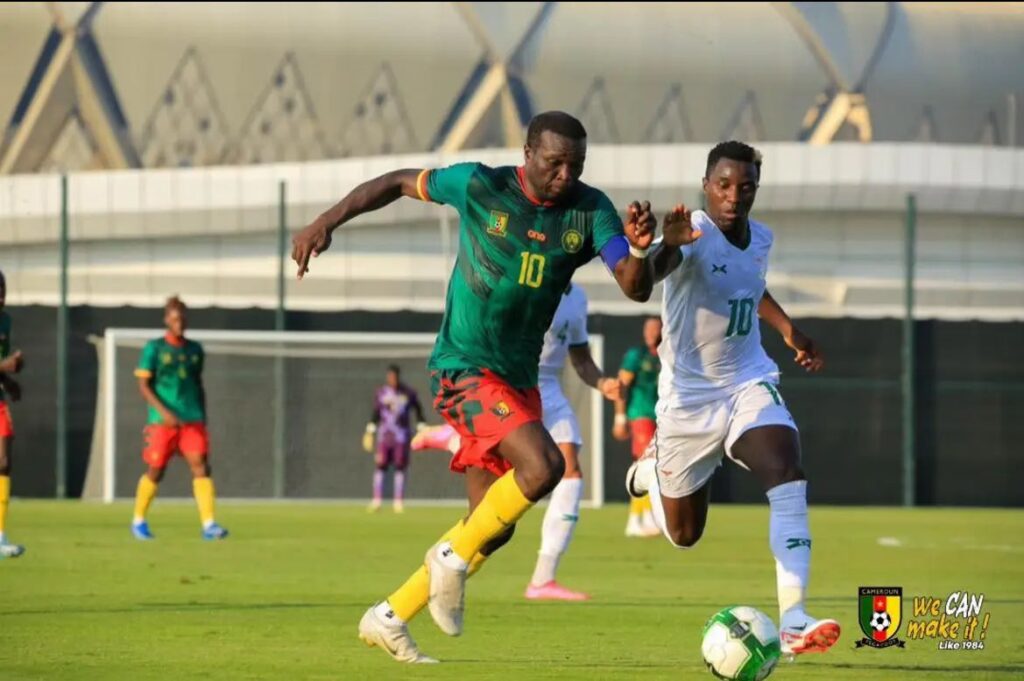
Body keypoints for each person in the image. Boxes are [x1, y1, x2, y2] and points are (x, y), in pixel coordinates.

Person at [292, 110, 655, 663]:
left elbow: (634, 285)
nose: (565, 175)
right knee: (546, 467)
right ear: (528, 153)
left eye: (576, 165)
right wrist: (327, 220)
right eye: (555, 162)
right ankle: (448, 559)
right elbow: (396, 182)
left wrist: (645, 248)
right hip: (463, 367)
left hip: (517, 379)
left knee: (491, 529)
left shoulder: (591, 209)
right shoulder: (481, 184)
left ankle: (389, 616)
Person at [626, 141, 840, 656]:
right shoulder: (692, 234)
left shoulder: (761, 237)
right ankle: (652, 469)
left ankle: (793, 619)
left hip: (747, 380)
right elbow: (645, 282)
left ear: (755, 190)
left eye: (745, 186)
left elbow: (750, 286)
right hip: (688, 401)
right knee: (684, 535)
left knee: (786, 472)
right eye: (723, 185)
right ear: (706, 185)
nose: (733, 195)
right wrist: (660, 247)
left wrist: (789, 331)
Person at [414, 284, 622, 601]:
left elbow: (581, 359)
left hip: (550, 389)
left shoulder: (578, 298)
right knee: (496, 518)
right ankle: (457, 439)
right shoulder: (529, 280)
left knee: (571, 474)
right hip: (513, 385)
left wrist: (602, 382)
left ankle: (543, 578)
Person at [131, 296, 229, 541]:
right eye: (175, 319)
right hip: (162, 421)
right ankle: (139, 520)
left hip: (191, 420)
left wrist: (202, 415)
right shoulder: (154, 348)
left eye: (182, 319)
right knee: (156, 470)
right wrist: (165, 413)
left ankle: (209, 525)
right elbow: (143, 385)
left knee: (201, 466)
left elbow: (197, 383)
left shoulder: (195, 350)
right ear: (167, 320)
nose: (179, 323)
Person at [613, 316, 662, 538]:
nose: (650, 333)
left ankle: (640, 519)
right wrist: (620, 418)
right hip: (640, 414)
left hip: (661, 417)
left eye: (655, 328)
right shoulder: (637, 355)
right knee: (647, 465)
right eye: (647, 329)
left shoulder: (667, 355)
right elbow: (621, 385)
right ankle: (640, 519)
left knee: (653, 466)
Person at [363, 364, 425, 513]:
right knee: (381, 465)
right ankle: (377, 500)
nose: (392, 379)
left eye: (394, 376)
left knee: (400, 466)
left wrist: (421, 425)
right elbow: (376, 412)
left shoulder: (408, 393)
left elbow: (418, 409)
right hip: (384, 436)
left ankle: (398, 501)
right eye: (390, 376)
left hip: (401, 436)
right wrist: (370, 429)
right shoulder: (382, 393)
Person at [0, 271, 26, 558]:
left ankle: (0, 536)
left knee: (4, 462)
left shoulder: (5, 321)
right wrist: (5, 366)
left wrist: (8, 382)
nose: (1, 296)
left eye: (3, 290)